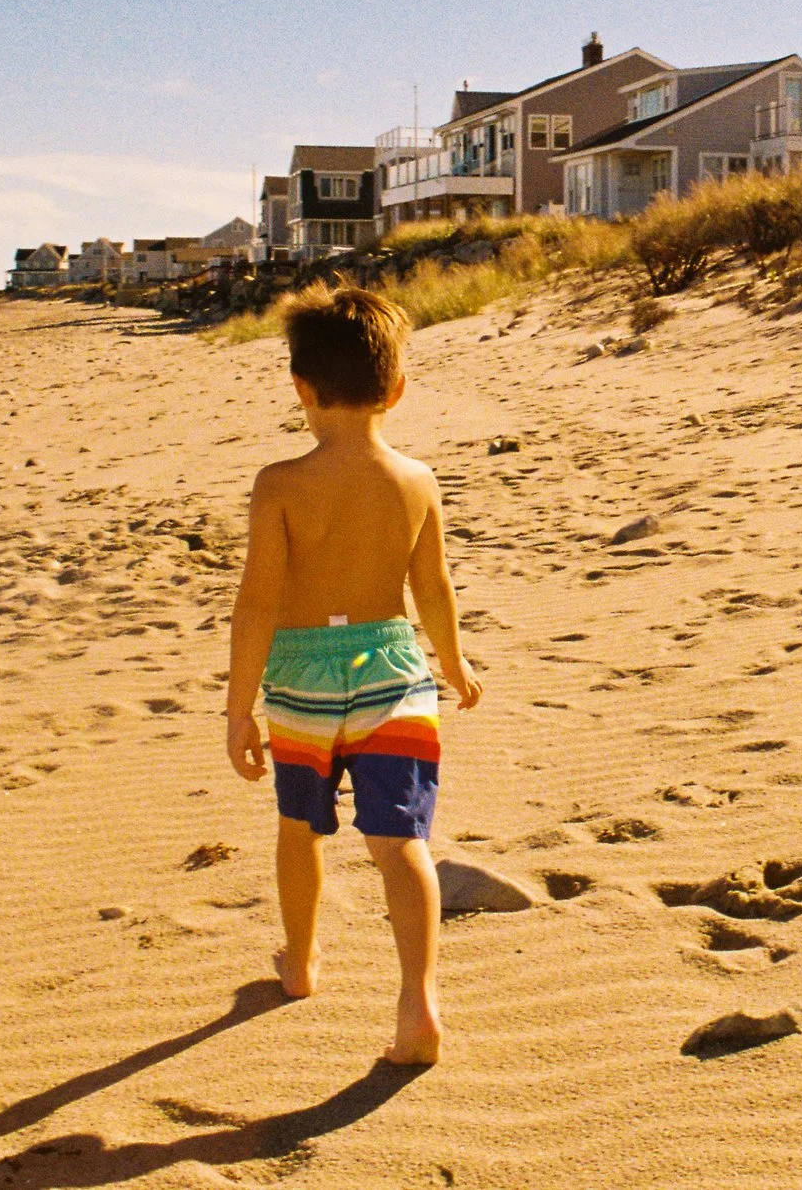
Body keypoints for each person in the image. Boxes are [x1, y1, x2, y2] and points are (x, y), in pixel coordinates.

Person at [221, 284, 484, 1065]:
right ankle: (418, 1005)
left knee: (299, 826)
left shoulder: (280, 485)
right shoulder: (417, 480)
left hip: (303, 677)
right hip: (394, 669)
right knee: (401, 840)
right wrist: (454, 662)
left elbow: (258, 602)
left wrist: (240, 710)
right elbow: (432, 587)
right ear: (397, 389)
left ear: (301, 388)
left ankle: (300, 965)